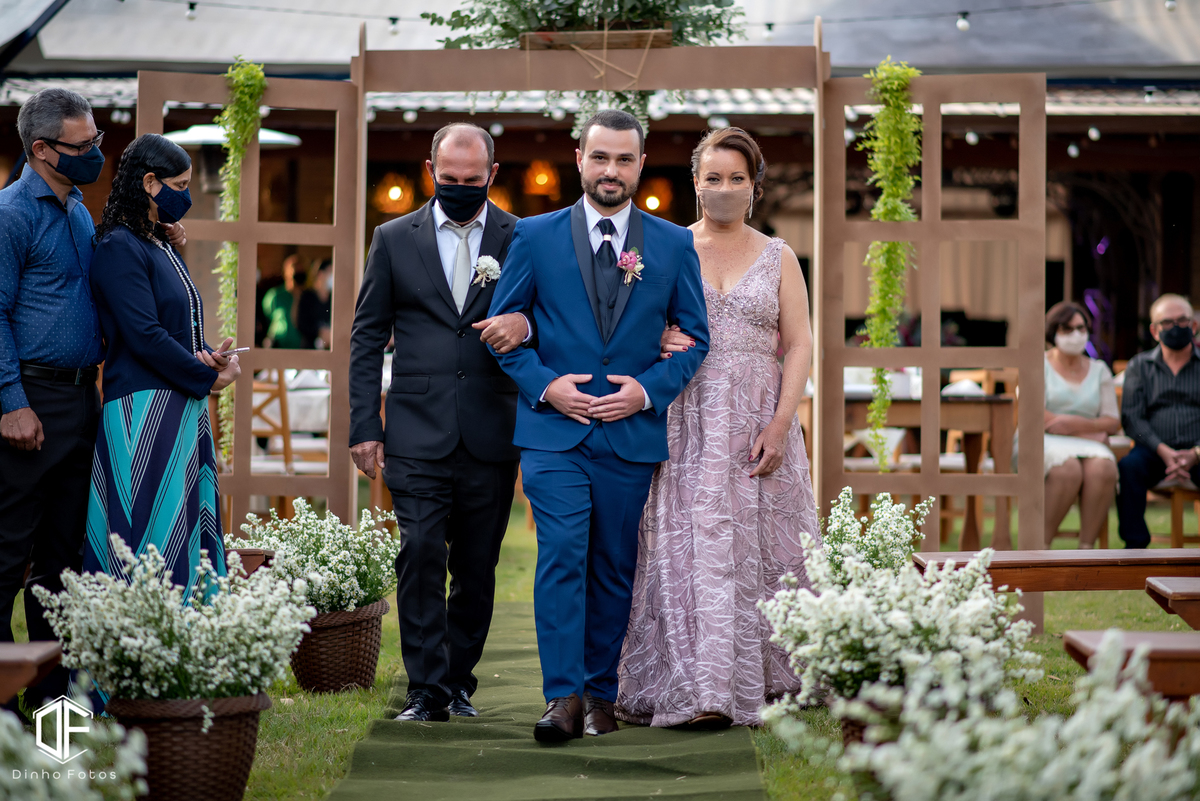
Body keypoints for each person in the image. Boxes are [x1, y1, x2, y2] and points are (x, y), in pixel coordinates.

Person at [487, 110, 710, 742]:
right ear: (580, 159)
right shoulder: (533, 236)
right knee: (561, 555)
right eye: (600, 157)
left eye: (624, 159)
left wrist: (646, 391)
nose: (611, 170)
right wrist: (546, 386)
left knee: (614, 564)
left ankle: (600, 695)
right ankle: (561, 698)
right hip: (553, 434)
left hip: (630, 435)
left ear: (641, 165)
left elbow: (696, 340)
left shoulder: (672, 244)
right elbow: (504, 336)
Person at [615, 128, 817, 729]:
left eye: (737, 178)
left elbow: (800, 343)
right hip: (687, 411)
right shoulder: (665, 247)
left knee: (764, 547)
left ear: (754, 186)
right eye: (713, 177)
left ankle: (767, 677)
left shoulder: (779, 255)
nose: (724, 188)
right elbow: (623, 327)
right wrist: (653, 336)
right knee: (689, 544)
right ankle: (699, 685)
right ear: (696, 183)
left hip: (759, 414)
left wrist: (781, 422)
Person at [0, 89, 185, 706]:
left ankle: (56, 721)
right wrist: (10, 401)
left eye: (98, 141)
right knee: (8, 561)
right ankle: (4, 721)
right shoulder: (12, 214)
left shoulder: (79, 210)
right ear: (41, 149)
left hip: (84, 401)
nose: (97, 153)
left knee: (64, 567)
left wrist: (160, 236)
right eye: (83, 146)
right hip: (31, 401)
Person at [349, 123, 533, 722]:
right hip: (415, 427)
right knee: (421, 553)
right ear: (431, 171)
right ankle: (425, 689)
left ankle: (457, 682)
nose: (459, 187)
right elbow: (367, 336)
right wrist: (364, 425)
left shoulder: (520, 237)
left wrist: (526, 325)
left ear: (492, 175)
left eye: (472, 180)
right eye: (449, 178)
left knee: (477, 568)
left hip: (491, 426)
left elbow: (545, 316)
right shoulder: (392, 238)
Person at [84, 133, 240, 593]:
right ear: (150, 182)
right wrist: (207, 378)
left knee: (183, 533)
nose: (186, 196)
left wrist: (209, 356)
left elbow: (177, 326)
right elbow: (144, 336)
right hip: (144, 410)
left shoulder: (158, 242)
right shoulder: (119, 246)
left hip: (177, 405)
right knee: (152, 541)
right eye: (181, 185)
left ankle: (189, 632)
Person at [1027, 302, 1119, 548]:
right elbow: (1032, 413)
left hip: (1087, 441)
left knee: (1104, 468)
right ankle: (1039, 547)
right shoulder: (1038, 365)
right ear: (1053, 332)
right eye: (1067, 329)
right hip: (1042, 438)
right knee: (1067, 469)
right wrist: (1089, 431)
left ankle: (1086, 550)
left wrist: (1073, 425)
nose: (1076, 335)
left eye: (1081, 328)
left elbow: (1112, 420)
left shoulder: (1100, 370)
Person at [1117, 293, 1200, 548]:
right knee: (1129, 467)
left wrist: (1196, 453)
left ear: (1194, 326)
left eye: (1182, 320)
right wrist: (1163, 451)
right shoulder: (1139, 366)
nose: (1176, 327)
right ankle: (1135, 549)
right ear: (1154, 330)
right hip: (1153, 451)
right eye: (1167, 322)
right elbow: (1132, 418)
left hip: (1197, 452)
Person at [262, 254, 305, 349]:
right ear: (286, 272)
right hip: (278, 344)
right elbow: (267, 319)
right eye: (295, 268)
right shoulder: (274, 295)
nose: (298, 272)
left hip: (300, 347)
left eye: (301, 270)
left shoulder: (306, 297)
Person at [298, 258, 332, 349]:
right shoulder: (307, 297)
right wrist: (319, 332)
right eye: (330, 272)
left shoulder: (334, 298)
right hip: (309, 349)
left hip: (329, 351)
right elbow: (302, 324)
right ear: (320, 274)